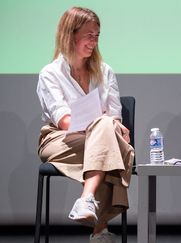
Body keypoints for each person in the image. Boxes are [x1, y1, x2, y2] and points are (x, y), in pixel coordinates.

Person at [36, 7, 134, 242]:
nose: (94, 42)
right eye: (89, 35)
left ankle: (86, 201)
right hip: (59, 139)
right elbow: (64, 120)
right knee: (119, 149)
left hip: (98, 138)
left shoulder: (104, 71)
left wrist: (109, 124)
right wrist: (105, 124)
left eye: (97, 36)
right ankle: (100, 230)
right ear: (70, 35)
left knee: (107, 135)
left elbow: (115, 116)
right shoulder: (50, 73)